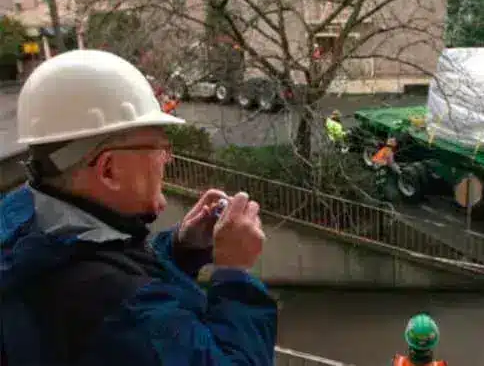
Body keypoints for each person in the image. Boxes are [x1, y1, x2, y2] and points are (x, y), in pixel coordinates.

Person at [0, 50, 277, 366]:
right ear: (109, 170)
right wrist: (235, 273)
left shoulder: (24, 226)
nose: (166, 160)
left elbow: (103, 260)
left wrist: (180, 249)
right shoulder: (122, 308)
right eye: (159, 148)